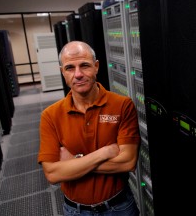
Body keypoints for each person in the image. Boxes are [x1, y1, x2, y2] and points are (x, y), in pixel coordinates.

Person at [37, 41, 141, 216]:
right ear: (63, 72)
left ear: (96, 67)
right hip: (75, 211)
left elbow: (127, 162)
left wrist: (73, 161)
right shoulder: (50, 115)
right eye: (70, 68)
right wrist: (104, 153)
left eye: (84, 65)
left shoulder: (122, 105)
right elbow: (53, 174)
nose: (78, 74)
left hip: (119, 207)